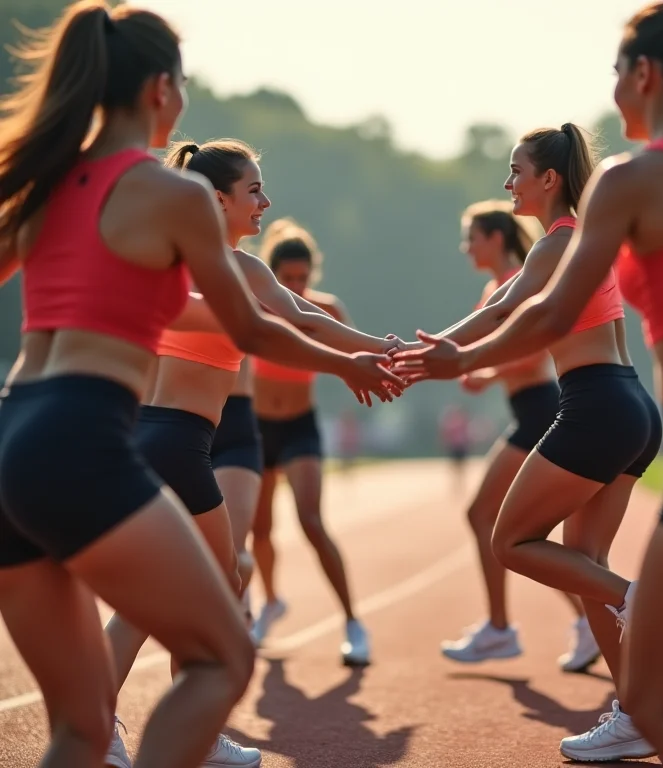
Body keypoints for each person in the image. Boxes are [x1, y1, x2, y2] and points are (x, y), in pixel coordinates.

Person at [0, 3, 403, 766]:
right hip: (82, 433)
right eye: (181, 84)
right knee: (223, 654)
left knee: (78, 730)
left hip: (13, 430)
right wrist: (348, 363)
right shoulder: (175, 196)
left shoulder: (46, 181)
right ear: (160, 89)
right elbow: (252, 330)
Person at [106, 140, 406, 766]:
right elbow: (294, 326)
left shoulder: (226, 266)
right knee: (208, 588)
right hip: (175, 440)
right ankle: (125, 725)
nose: (266, 202)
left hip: (167, 438)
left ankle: (144, 725)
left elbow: (307, 316)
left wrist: (379, 347)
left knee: (199, 586)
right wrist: (361, 358)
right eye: (254, 191)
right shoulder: (220, 271)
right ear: (217, 200)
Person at [394, 122, 662, 761]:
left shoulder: (560, 241)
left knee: (510, 541)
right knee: (585, 563)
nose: (508, 182)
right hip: (630, 407)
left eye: (516, 170)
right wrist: (447, 356)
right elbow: (512, 313)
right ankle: (637, 714)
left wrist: (441, 355)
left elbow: (506, 311)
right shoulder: (578, 240)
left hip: (597, 406)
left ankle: (639, 599)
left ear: (549, 179)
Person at [440, 200, 599, 673]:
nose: (466, 247)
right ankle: (521, 624)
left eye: (471, 237)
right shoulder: (497, 286)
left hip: (541, 410)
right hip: (528, 411)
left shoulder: (520, 280)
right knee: (500, 522)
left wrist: (485, 374)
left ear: (495, 238)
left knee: (493, 519)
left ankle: (506, 627)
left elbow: (534, 351)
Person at [248, 219, 376, 666]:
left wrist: (388, 359)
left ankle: (353, 622)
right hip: (255, 426)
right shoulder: (253, 308)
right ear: (273, 275)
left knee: (311, 521)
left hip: (299, 426)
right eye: (288, 280)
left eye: (304, 278)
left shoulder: (326, 310)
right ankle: (270, 603)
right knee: (258, 530)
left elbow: (357, 350)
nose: (298, 288)